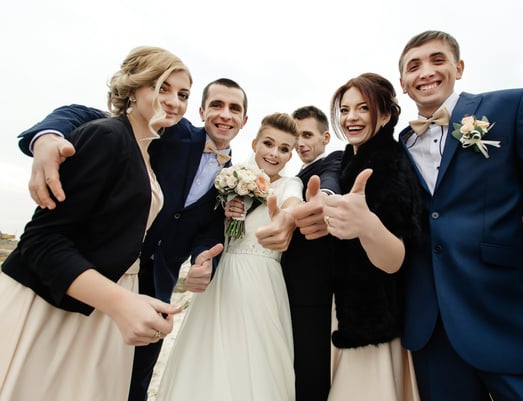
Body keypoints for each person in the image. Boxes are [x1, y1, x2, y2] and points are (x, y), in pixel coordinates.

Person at [393, 30, 523, 401]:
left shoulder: (512, 106)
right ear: (403, 83)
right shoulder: (401, 144)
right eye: (414, 66)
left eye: (437, 60)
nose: (425, 71)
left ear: (458, 67)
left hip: (515, 318)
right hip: (434, 330)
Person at [15, 77, 249, 401]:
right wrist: (47, 137)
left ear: (244, 119)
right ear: (201, 110)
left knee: (135, 380)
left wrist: (203, 261)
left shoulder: (236, 179)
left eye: (234, 108)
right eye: (217, 105)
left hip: (159, 286)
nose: (225, 114)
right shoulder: (172, 130)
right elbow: (88, 115)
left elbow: (209, 232)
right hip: (106, 272)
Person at [0, 46, 189, 401]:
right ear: (133, 88)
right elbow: (42, 241)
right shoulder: (106, 135)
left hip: (108, 311)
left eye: (183, 94)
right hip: (56, 308)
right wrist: (119, 302)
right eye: (162, 87)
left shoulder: (149, 148)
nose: (174, 101)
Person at [156, 112, 303, 401]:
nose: (274, 154)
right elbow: (207, 229)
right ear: (255, 143)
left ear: (290, 155)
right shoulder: (231, 176)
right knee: (210, 353)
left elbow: (292, 207)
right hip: (223, 277)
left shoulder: (290, 185)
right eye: (269, 144)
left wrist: (286, 217)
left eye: (284, 149)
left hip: (263, 282)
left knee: (259, 357)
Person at [321, 72, 423, 401]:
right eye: (345, 109)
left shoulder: (390, 164)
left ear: (387, 114)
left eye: (363, 108)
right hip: (344, 306)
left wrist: (367, 226)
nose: (351, 117)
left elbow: (396, 259)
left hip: (371, 319)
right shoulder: (350, 157)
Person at [279, 105, 342, 401]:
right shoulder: (290, 177)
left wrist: (323, 199)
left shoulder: (333, 161)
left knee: (310, 369)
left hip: (312, 289)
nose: (300, 142)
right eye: (296, 136)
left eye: (307, 135)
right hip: (285, 287)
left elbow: (329, 184)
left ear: (326, 136)